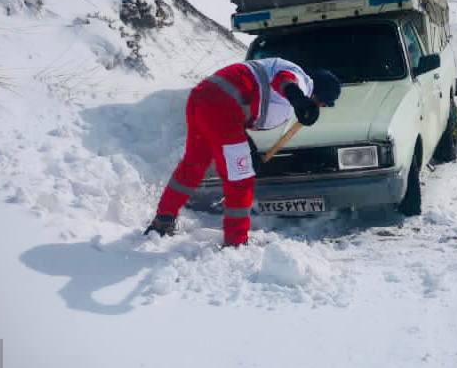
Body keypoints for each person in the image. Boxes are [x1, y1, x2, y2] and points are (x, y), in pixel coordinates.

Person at [145, 59, 342, 246]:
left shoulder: (286, 80)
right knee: (240, 178)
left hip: (202, 98)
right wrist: (298, 99)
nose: (323, 107)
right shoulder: (301, 81)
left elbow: (243, 113)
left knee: (194, 164)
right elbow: (284, 80)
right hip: (222, 106)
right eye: (325, 103)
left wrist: (250, 148)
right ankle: (236, 241)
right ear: (320, 95)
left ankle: (163, 221)